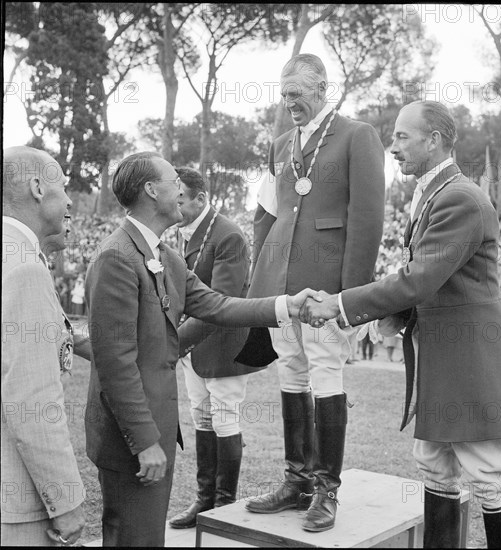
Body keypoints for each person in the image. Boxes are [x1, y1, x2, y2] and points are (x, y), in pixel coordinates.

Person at [300, 100, 501, 548]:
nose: (393, 147)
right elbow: (426, 282)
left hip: (471, 357)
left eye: (402, 137)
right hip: (444, 354)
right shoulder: (433, 191)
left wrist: (339, 304)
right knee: (434, 464)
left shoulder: (461, 198)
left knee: (489, 473)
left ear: (434, 140)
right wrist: (383, 318)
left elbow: (419, 278)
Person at [84, 151, 320, 547]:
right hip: (131, 436)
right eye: (173, 181)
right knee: (132, 536)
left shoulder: (162, 254)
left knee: (145, 536)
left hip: (154, 428)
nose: (182, 188)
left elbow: (218, 305)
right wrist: (144, 442)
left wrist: (286, 305)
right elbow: (116, 366)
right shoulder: (116, 258)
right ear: (151, 190)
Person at [244, 53, 385, 532]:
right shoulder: (281, 143)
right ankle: (296, 479)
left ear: (322, 87)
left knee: (326, 374)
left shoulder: (356, 135)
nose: (289, 103)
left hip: (327, 288)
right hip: (282, 285)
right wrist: (259, 283)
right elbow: (266, 215)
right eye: (284, 95)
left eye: (297, 94)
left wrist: (352, 298)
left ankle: (326, 489)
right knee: (290, 372)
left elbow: (368, 220)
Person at [2, 146, 86, 547]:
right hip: (13, 501)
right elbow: (32, 403)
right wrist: (66, 502)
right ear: (37, 187)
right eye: (63, 186)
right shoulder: (25, 270)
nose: (69, 199)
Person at [168, 167, 256, 528]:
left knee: (224, 418)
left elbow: (221, 302)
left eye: (182, 200)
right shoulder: (183, 230)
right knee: (201, 418)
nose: (176, 207)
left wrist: (176, 343)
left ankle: (224, 507)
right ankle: (204, 501)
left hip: (224, 346)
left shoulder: (229, 234)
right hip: (192, 345)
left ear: (202, 199)